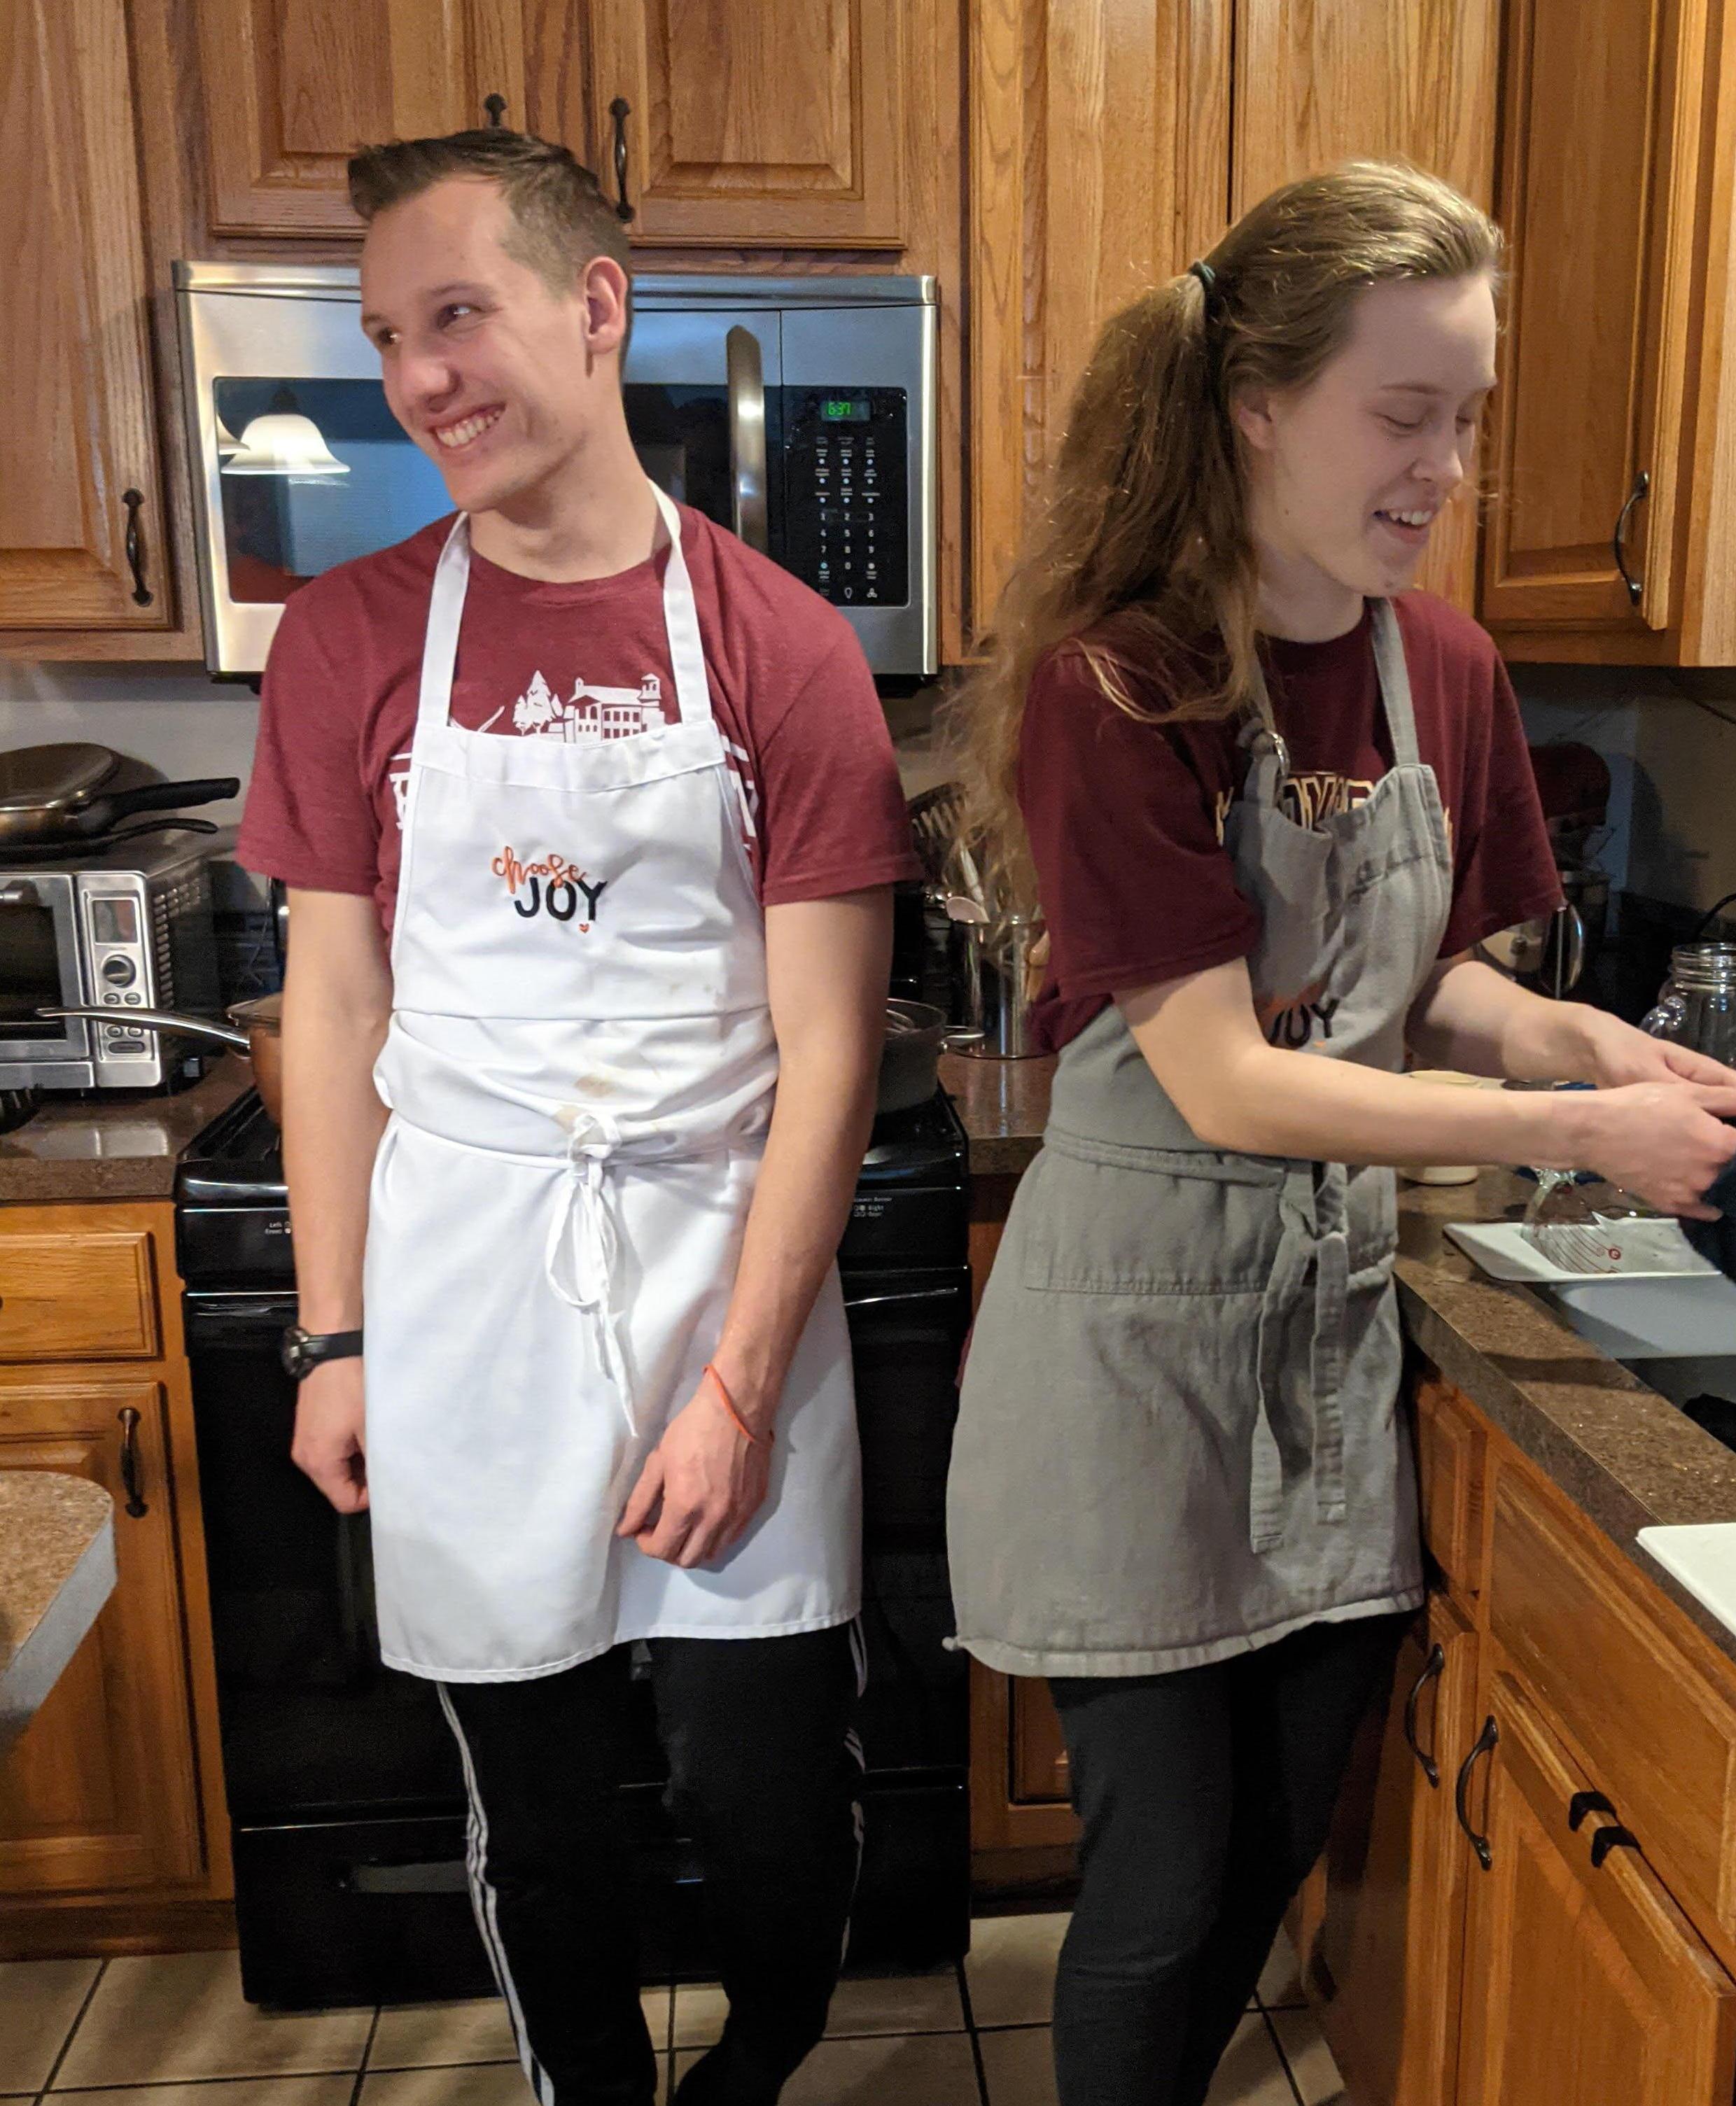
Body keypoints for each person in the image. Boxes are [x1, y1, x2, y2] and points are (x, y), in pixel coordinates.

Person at [944, 161, 1736, 2106]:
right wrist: (1567, 1132)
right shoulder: (1121, 678)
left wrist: (1586, 1046)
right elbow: (1225, 1077)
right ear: (1255, 401)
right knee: (1158, 1875)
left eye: (1464, 419)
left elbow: (1436, 976)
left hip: (1322, 1340)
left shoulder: (1448, 665)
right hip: (1135, 1344)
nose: (1444, 466)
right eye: (1404, 415)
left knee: (1279, 1834)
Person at [237, 129, 920, 2106]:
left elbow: (829, 1045)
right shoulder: (349, 641)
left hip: (723, 1274)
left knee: (768, 1787)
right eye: (389, 335)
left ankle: (768, 2044)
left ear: (596, 303)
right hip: (462, 1283)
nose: (422, 375)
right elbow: (336, 1004)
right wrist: (336, 1334)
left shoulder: (782, 645)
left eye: (460, 312)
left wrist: (731, 1384)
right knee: (534, 1801)